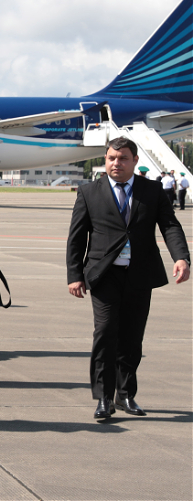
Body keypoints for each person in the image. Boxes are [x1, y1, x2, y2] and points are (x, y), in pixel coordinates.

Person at [67, 137, 189, 419]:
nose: (116, 163)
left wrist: (181, 257)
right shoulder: (89, 192)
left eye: (123, 158)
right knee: (105, 332)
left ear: (135, 160)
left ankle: (125, 395)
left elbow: (170, 225)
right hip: (104, 274)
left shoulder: (152, 190)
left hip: (140, 274)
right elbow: (76, 237)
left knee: (132, 337)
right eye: (111, 158)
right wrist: (74, 275)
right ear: (105, 160)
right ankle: (103, 397)